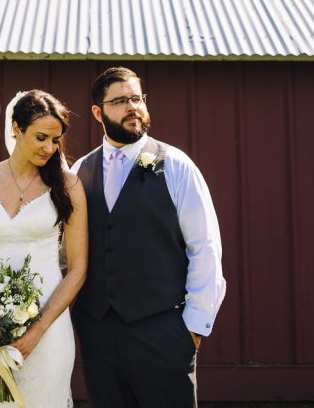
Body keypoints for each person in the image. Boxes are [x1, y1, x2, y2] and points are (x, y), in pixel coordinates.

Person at [70, 66, 225, 407]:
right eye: (120, 101)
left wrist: (193, 329)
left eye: (137, 98)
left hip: (163, 332)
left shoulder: (175, 165)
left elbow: (205, 247)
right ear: (98, 112)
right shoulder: (79, 171)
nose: (133, 108)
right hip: (98, 335)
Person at [0, 89, 88, 407]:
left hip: (48, 329)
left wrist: (35, 333)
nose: (49, 148)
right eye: (41, 137)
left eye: (55, 140)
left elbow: (78, 269)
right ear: (16, 128)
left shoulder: (68, 187)